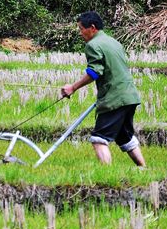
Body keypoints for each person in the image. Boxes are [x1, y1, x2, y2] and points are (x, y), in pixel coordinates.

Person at [60, 11, 146, 167]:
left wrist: (73, 87)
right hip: (130, 97)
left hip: (114, 99)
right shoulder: (114, 42)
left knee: (99, 139)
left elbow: (94, 72)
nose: (80, 33)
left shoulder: (93, 45)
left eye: (81, 29)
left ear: (92, 28)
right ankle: (144, 169)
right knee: (124, 137)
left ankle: (106, 174)